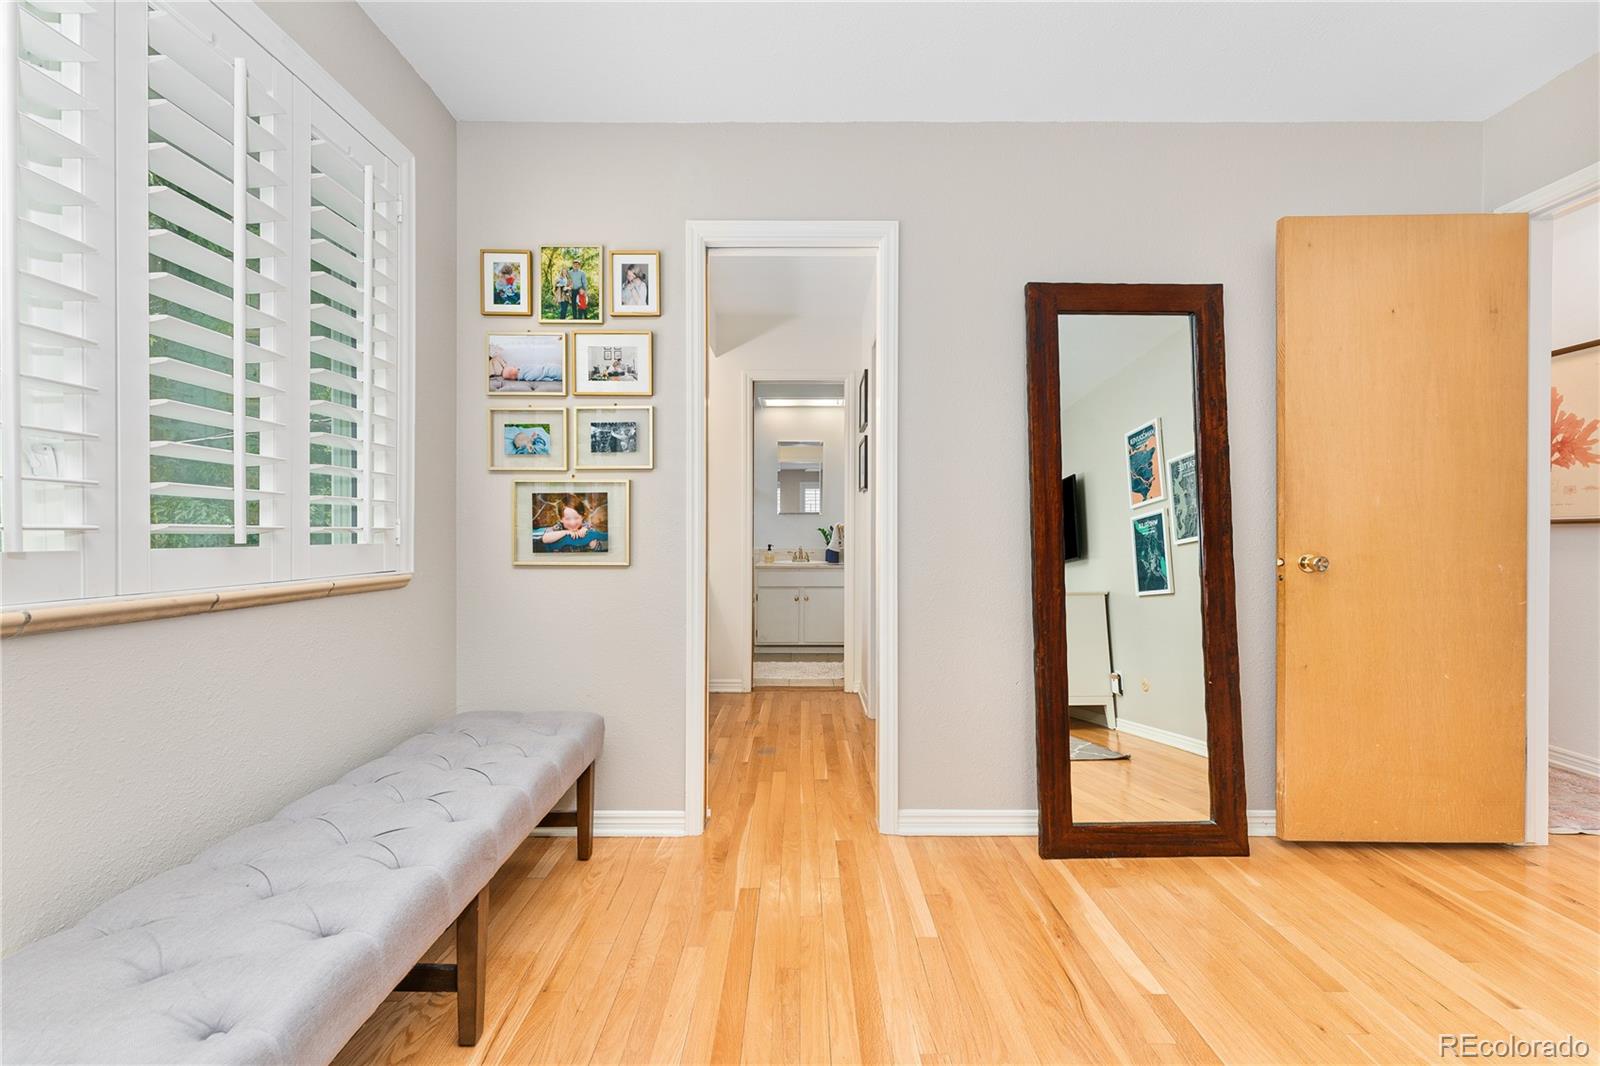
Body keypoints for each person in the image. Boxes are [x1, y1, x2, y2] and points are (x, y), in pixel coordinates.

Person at [535, 499, 608, 552]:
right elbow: (544, 539)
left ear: (582, 516)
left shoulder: (586, 526)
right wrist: (565, 532)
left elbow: (599, 547)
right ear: (561, 519)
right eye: (567, 519)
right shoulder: (559, 527)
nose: (572, 523)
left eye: (576, 518)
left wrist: (590, 536)